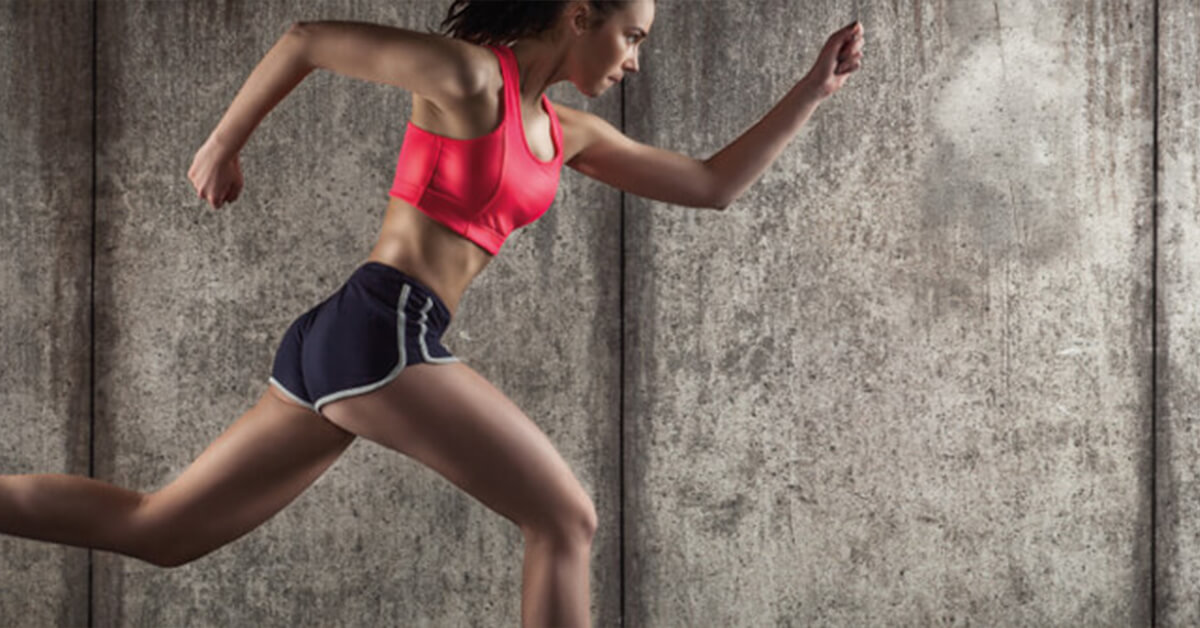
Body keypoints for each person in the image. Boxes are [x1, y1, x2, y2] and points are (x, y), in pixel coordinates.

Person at [0, 1, 863, 626]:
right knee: (565, 519)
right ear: (577, 15)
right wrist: (223, 144)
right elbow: (307, 40)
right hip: (383, 330)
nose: (635, 58)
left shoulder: (567, 134)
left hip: (354, 341)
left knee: (162, 532)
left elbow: (710, 186)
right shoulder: (469, 77)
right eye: (631, 35)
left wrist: (812, 90)